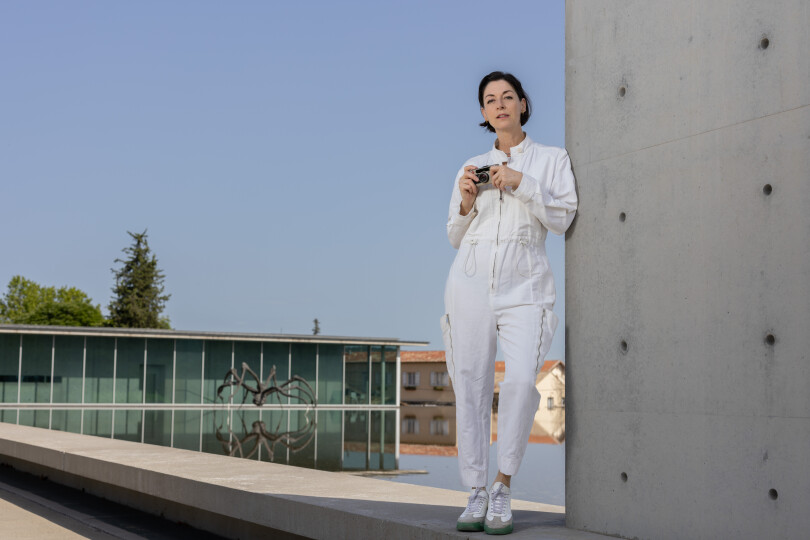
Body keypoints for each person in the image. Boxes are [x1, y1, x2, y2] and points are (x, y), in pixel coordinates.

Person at [441, 71, 577, 535]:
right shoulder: (471, 164)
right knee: (471, 383)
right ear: (483, 113)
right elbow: (454, 237)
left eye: (507, 97)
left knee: (520, 382)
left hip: (526, 287)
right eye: (490, 100)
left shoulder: (551, 160)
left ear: (522, 103)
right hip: (471, 283)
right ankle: (475, 489)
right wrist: (464, 203)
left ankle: (502, 484)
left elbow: (562, 216)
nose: (499, 105)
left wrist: (521, 182)